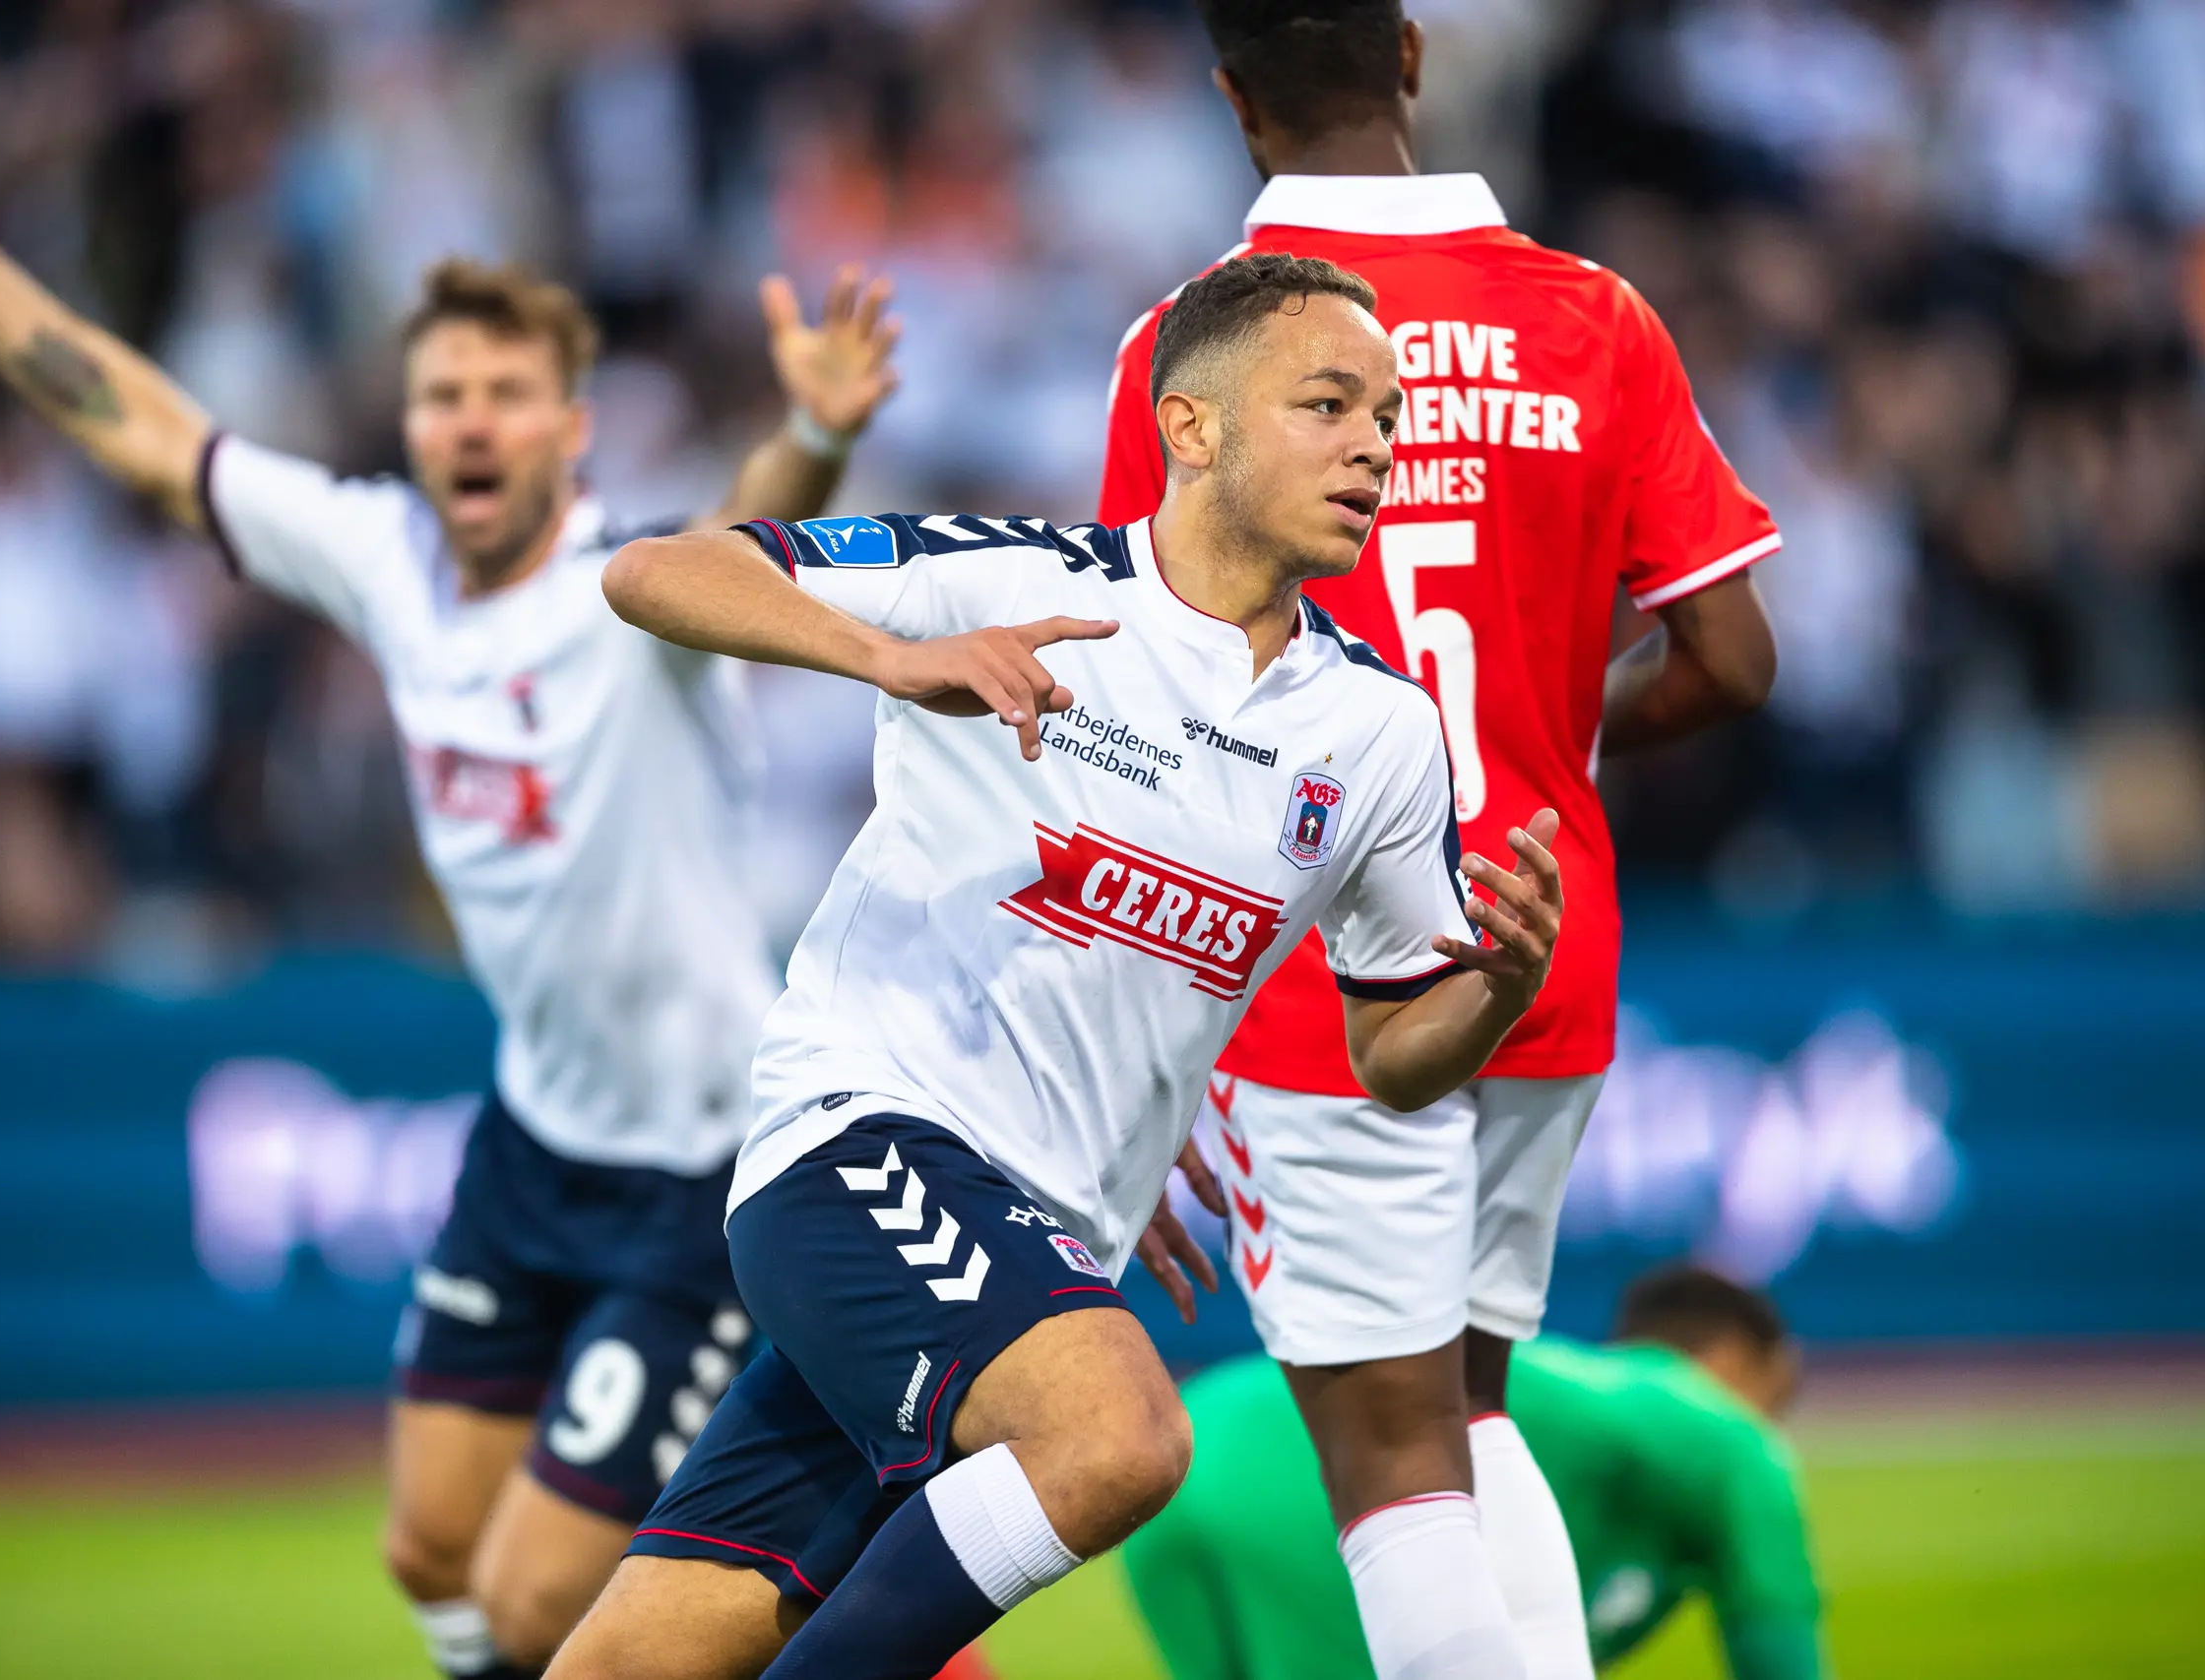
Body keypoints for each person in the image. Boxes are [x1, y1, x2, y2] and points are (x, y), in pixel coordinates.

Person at [0, 90, 901, 1680]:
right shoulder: (383, 559)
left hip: (698, 1169)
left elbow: (754, 518)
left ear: (573, 426)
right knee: (428, 1549)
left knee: (536, 1602)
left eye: (507, 392)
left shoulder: (630, 592)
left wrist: (814, 430)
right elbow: (146, 430)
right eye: (442, 390)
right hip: (537, 1139)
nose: (468, 418)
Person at [543, 251, 1564, 1680]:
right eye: (1328, 403)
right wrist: (883, 656)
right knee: (1118, 1434)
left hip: (1027, 1235)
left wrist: (1495, 990)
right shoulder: (1020, 577)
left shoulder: (1379, 733)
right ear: (1191, 426)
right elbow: (656, 569)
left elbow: (1393, 1049)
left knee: (629, 1663)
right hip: (857, 1146)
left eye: (1388, 416)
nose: (1375, 444)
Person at [1098, 7, 1781, 1676]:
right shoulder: (1591, 316)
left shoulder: (1190, 355)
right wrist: (1545, 736)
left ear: (1231, 99)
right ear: (1411, 56)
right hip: (1538, 942)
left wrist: (1139, 1046)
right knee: (1471, 1410)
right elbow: (1736, 656)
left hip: (1318, 988)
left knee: (1391, 1460)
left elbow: (1147, 710)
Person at [1122, 1265, 1829, 1680]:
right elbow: (1781, 1659)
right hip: (1301, 1481)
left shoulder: (1602, 1408)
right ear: (1744, 1361)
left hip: (1181, 1449)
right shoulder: (1735, 1441)